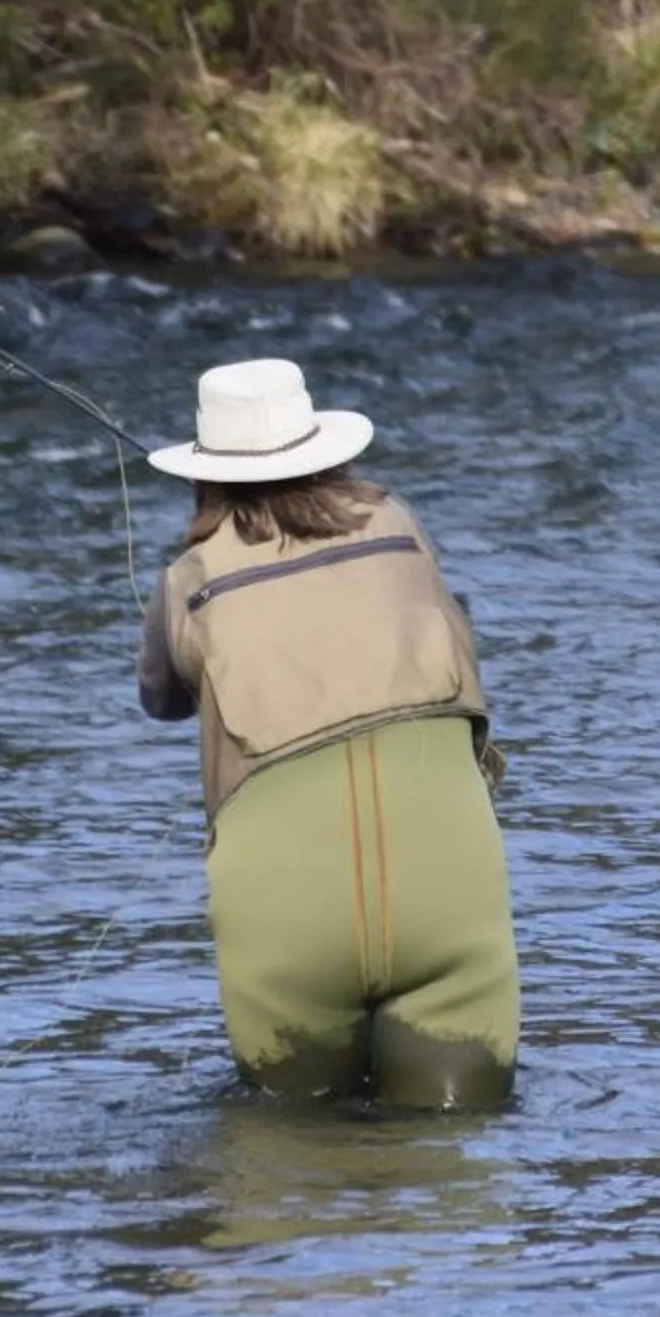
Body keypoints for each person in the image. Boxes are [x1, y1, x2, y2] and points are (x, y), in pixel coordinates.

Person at [136, 356, 519, 1108]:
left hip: (283, 916)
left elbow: (160, 699)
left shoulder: (191, 577)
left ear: (205, 473)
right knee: (455, 1168)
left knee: (292, 1158)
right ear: (330, 453)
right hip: (449, 886)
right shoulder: (400, 528)